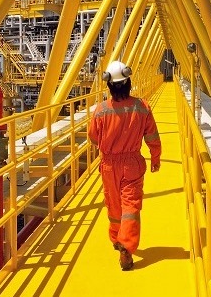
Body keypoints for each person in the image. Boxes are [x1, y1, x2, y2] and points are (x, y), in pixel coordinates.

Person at [88, 60, 162, 271]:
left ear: (109, 86)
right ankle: (126, 248)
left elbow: (93, 138)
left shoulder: (101, 111)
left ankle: (116, 239)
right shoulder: (142, 107)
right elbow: (152, 137)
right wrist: (155, 158)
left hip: (109, 165)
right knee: (130, 206)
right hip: (132, 164)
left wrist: (109, 144)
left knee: (114, 206)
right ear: (129, 82)